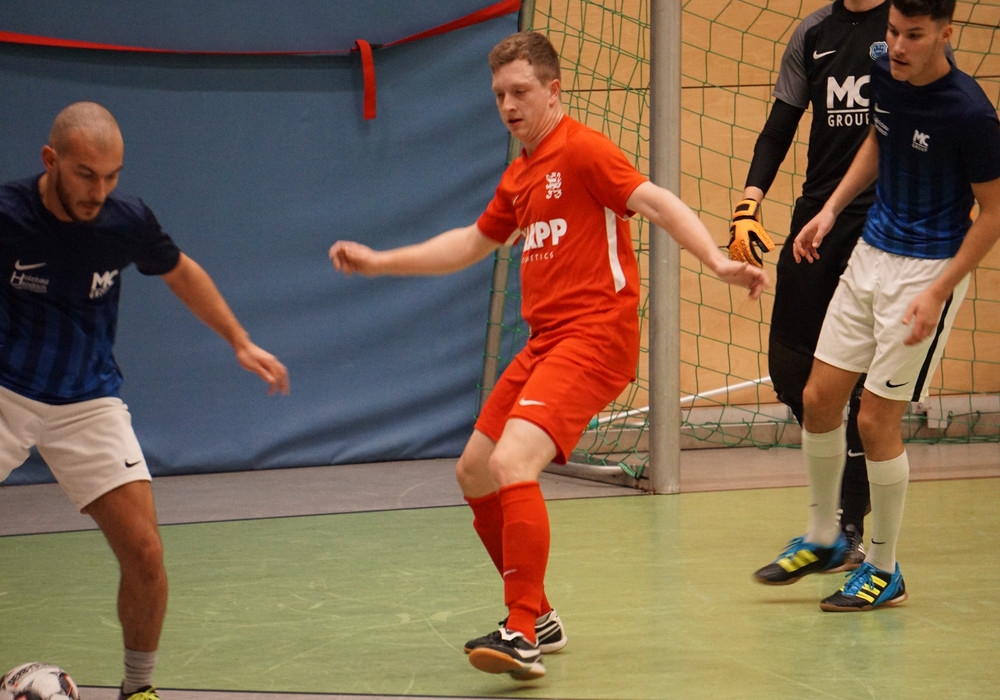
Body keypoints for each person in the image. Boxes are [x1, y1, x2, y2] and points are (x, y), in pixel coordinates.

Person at [330, 31, 768, 679]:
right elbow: (471, 244)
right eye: (498, 95)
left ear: (553, 90)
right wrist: (381, 261)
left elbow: (655, 200)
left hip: (595, 337)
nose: (508, 106)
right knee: (474, 471)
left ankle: (521, 630)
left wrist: (714, 260)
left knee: (513, 460)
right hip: (546, 343)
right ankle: (540, 614)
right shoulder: (521, 173)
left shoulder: (583, 150)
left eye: (520, 92)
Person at [0, 102, 290, 699]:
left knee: (145, 552)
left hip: (87, 401)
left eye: (111, 176)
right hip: (6, 391)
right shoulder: (8, 215)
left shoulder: (124, 220)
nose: (98, 191)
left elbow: (180, 271)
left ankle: (139, 691)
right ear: (51, 160)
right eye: (85, 174)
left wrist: (239, 340)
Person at [753, 0, 1000, 611]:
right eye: (893, 32)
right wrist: (831, 209)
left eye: (914, 35)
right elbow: (876, 139)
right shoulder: (885, 71)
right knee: (818, 398)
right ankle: (824, 537)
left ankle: (884, 568)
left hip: (927, 271)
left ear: (945, 34)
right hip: (871, 252)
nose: (899, 45)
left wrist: (938, 291)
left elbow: (994, 212)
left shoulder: (970, 112)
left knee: (874, 420)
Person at [730, 0, 893, 577]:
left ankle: (848, 528)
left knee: (862, 390)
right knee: (791, 372)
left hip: (881, 223)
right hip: (817, 218)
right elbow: (780, 127)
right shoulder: (814, 32)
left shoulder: (904, 26)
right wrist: (748, 202)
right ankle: (835, 513)